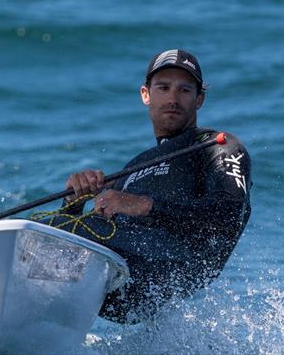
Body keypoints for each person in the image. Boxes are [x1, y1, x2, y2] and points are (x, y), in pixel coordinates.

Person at [51, 49, 251, 323]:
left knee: (65, 236)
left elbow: (230, 214)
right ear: (146, 94)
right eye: (163, 87)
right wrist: (74, 200)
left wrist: (145, 206)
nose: (172, 98)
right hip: (115, 280)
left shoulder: (217, 146)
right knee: (56, 232)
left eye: (184, 90)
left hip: (166, 273)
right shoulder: (136, 165)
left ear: (199, 99)